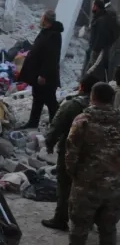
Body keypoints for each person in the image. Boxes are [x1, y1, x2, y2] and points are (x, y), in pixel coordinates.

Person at [64, 82, 120, 245]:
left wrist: (75, 176)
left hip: (87, 184)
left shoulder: (83, 120)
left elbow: (71, 153)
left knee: (79, 226)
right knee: (109, 226)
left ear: (92, 97)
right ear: (112, 99)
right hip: (114, 185)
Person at [42, 73, 99, 231]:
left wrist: (50, 143)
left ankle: (61, 218)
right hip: (96, 154)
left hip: (70, 151)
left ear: (81, 87)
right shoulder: (105, 108)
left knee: (65, 185)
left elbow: (56, 126)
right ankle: (90, 219)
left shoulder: (72, 105)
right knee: (91, 186)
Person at [17, 9, 63, 128]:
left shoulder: (54, 35)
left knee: (50, 101)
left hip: (46, 75)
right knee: (37, 97)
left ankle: (56, 126)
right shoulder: (46, 31)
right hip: (39, 72)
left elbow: (52, 58)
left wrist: (43, 75)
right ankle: (33, 122)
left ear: (45, 19)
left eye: (42, 17)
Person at [83, 0, 118, 81]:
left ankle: (88, 86)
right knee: (93, 69)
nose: (92, 7)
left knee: (94, 70)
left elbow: (101, 36)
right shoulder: (99, 17)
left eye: (93, 5)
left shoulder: (101, 20)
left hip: (98, 50)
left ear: (96, 6)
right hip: (98, 48)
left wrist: (96, 48)